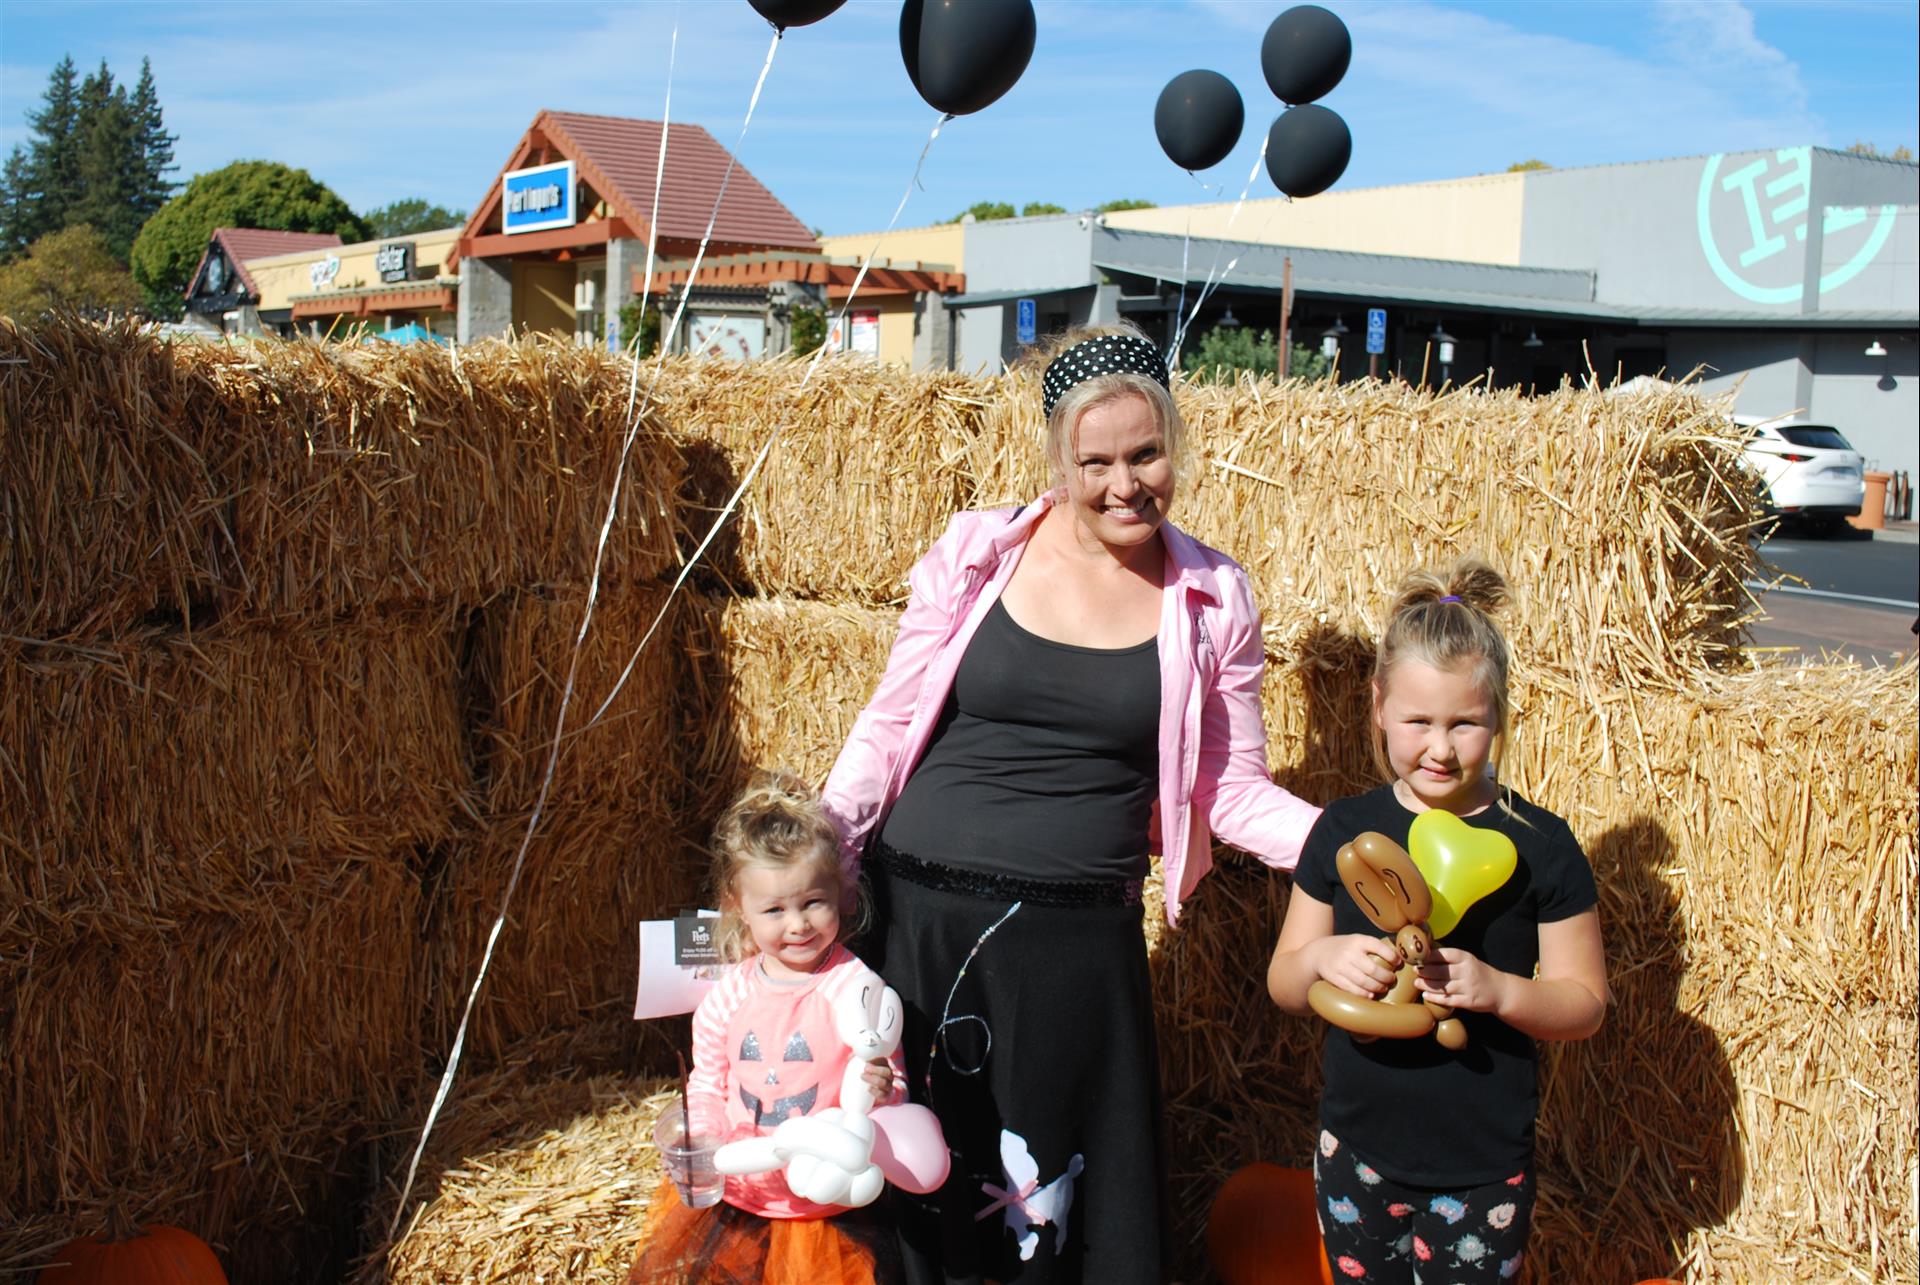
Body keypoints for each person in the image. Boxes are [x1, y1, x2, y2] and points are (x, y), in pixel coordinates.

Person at [821, 324, 1321, 1283]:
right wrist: (821, 852)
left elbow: (1231, 786)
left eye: (1147, 453)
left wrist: (1344, 839)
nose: (1125, 484)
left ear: (1177, 441)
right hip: (919, 927)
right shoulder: (979, 549)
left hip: (1072, 957)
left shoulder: (1214, 596)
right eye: (1096, 461)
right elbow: (888, 727)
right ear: (1057, 457)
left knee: (1040, 1222)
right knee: (912, 1207)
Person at [1265, 562, 1609, 1283]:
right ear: (1379, 705)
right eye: (1419, 721)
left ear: (1501, 716)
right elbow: (1284, 981)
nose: (1441, 748)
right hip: (1354, 1151)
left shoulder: (1541, 844)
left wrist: (1499, 989)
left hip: (1482, 1165)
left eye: (1466, 723)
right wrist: (1324, 957)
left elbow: (1584, 1003)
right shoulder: (1343, 829)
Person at [630, 770, 908, 1285]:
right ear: (739, 907)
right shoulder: (728, 996)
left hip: (826, 1202)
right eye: (775, 910)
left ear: (841, 892)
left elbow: (890, 1074)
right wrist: (704, 1136)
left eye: (812, 903)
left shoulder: (855, 989)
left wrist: (883, 1088)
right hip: (744, 1193)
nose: (797, 924)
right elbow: (709, 1081)